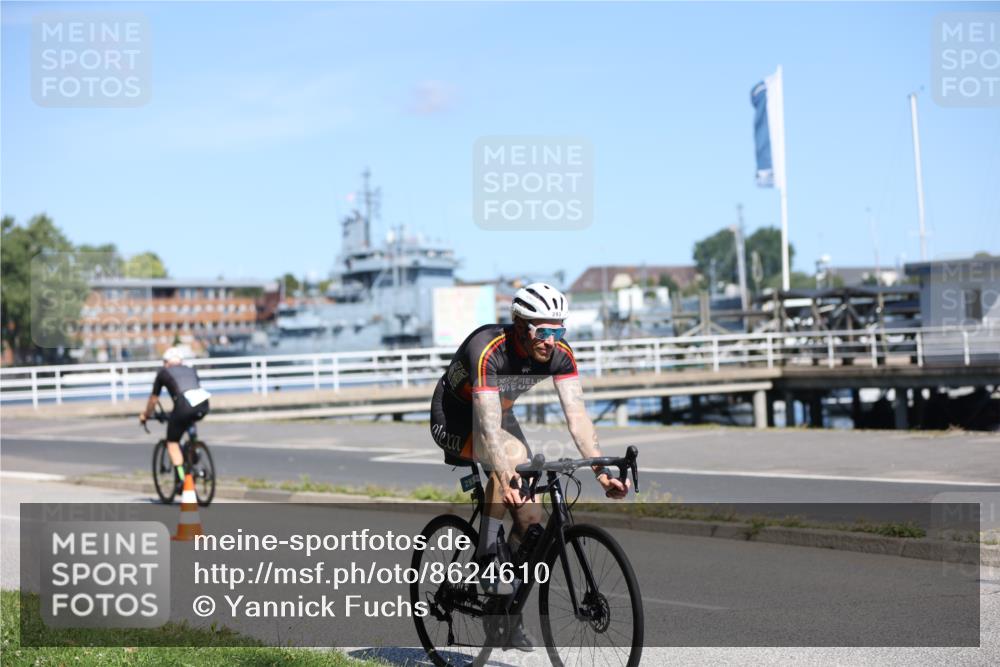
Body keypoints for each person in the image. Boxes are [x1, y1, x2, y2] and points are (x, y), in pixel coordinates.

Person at [429, 282, 630, 650]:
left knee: (531, 519)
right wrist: (505, 475)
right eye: (543, 331)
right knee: (511, 459)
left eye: (558, 331)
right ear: (520, 325)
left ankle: (502, 609)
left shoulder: (559, 354)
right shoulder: (487, 349)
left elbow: (578, 418)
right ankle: (487, 554)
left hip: (498, 414)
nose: (551, 341)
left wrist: (602, 472)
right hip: (454, 418)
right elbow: (487, 428)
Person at [139, 347, 211, 486]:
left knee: (172, 443)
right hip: (203, 404)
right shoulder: (191, 369)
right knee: (189, 420)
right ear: (181, 361)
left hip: (183, 406)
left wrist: (146, 415)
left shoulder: (163, 372)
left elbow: (153, 399)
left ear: (166, 362)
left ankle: (182, 478)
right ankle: (194, 450)